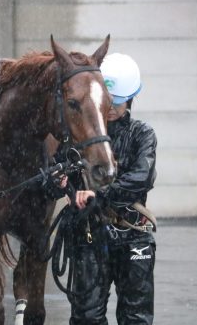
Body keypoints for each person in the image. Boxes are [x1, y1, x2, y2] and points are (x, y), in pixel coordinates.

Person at [68, 53, 158, 325]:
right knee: (86, 317)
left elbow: (142, 177)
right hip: (90, 234)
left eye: (117, 103)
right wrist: (60, 183)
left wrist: (101, 194)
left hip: (134, 235)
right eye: (109, 101)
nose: (111, 109)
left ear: (130, 99)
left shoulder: (142, 134)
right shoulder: (81, 136)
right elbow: (61, 170)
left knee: (136, 317)